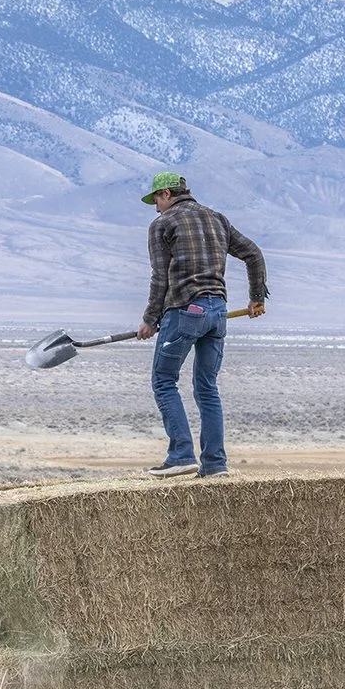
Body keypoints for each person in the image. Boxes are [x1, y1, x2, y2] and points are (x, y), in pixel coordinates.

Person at [133, 172, 267, 478]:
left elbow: (160, 277)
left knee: (164, 381)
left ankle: (181, 454)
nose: (155, 208)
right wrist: (257, 299)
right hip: (217, 313)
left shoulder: (162, 224)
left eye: (156, 199)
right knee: (207, 388)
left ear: (166, 193)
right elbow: (254, 254)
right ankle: (215, 464)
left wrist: (150, 319)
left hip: (184, 310)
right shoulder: (217, 218)